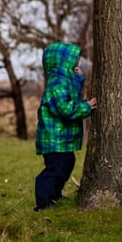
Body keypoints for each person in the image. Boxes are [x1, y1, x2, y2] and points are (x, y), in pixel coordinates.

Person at [34, 41, 97, 212]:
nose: (77, 64)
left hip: (61, 139)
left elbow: (71, 95)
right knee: (56, 169)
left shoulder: (64, 81)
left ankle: (54, 195)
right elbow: (65, 108)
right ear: (62, 63)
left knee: (66, 164)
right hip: (54, 138)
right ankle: (44, 201)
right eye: (73, 61)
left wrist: (76, 78)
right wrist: (86, 107)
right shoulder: (57, 84)